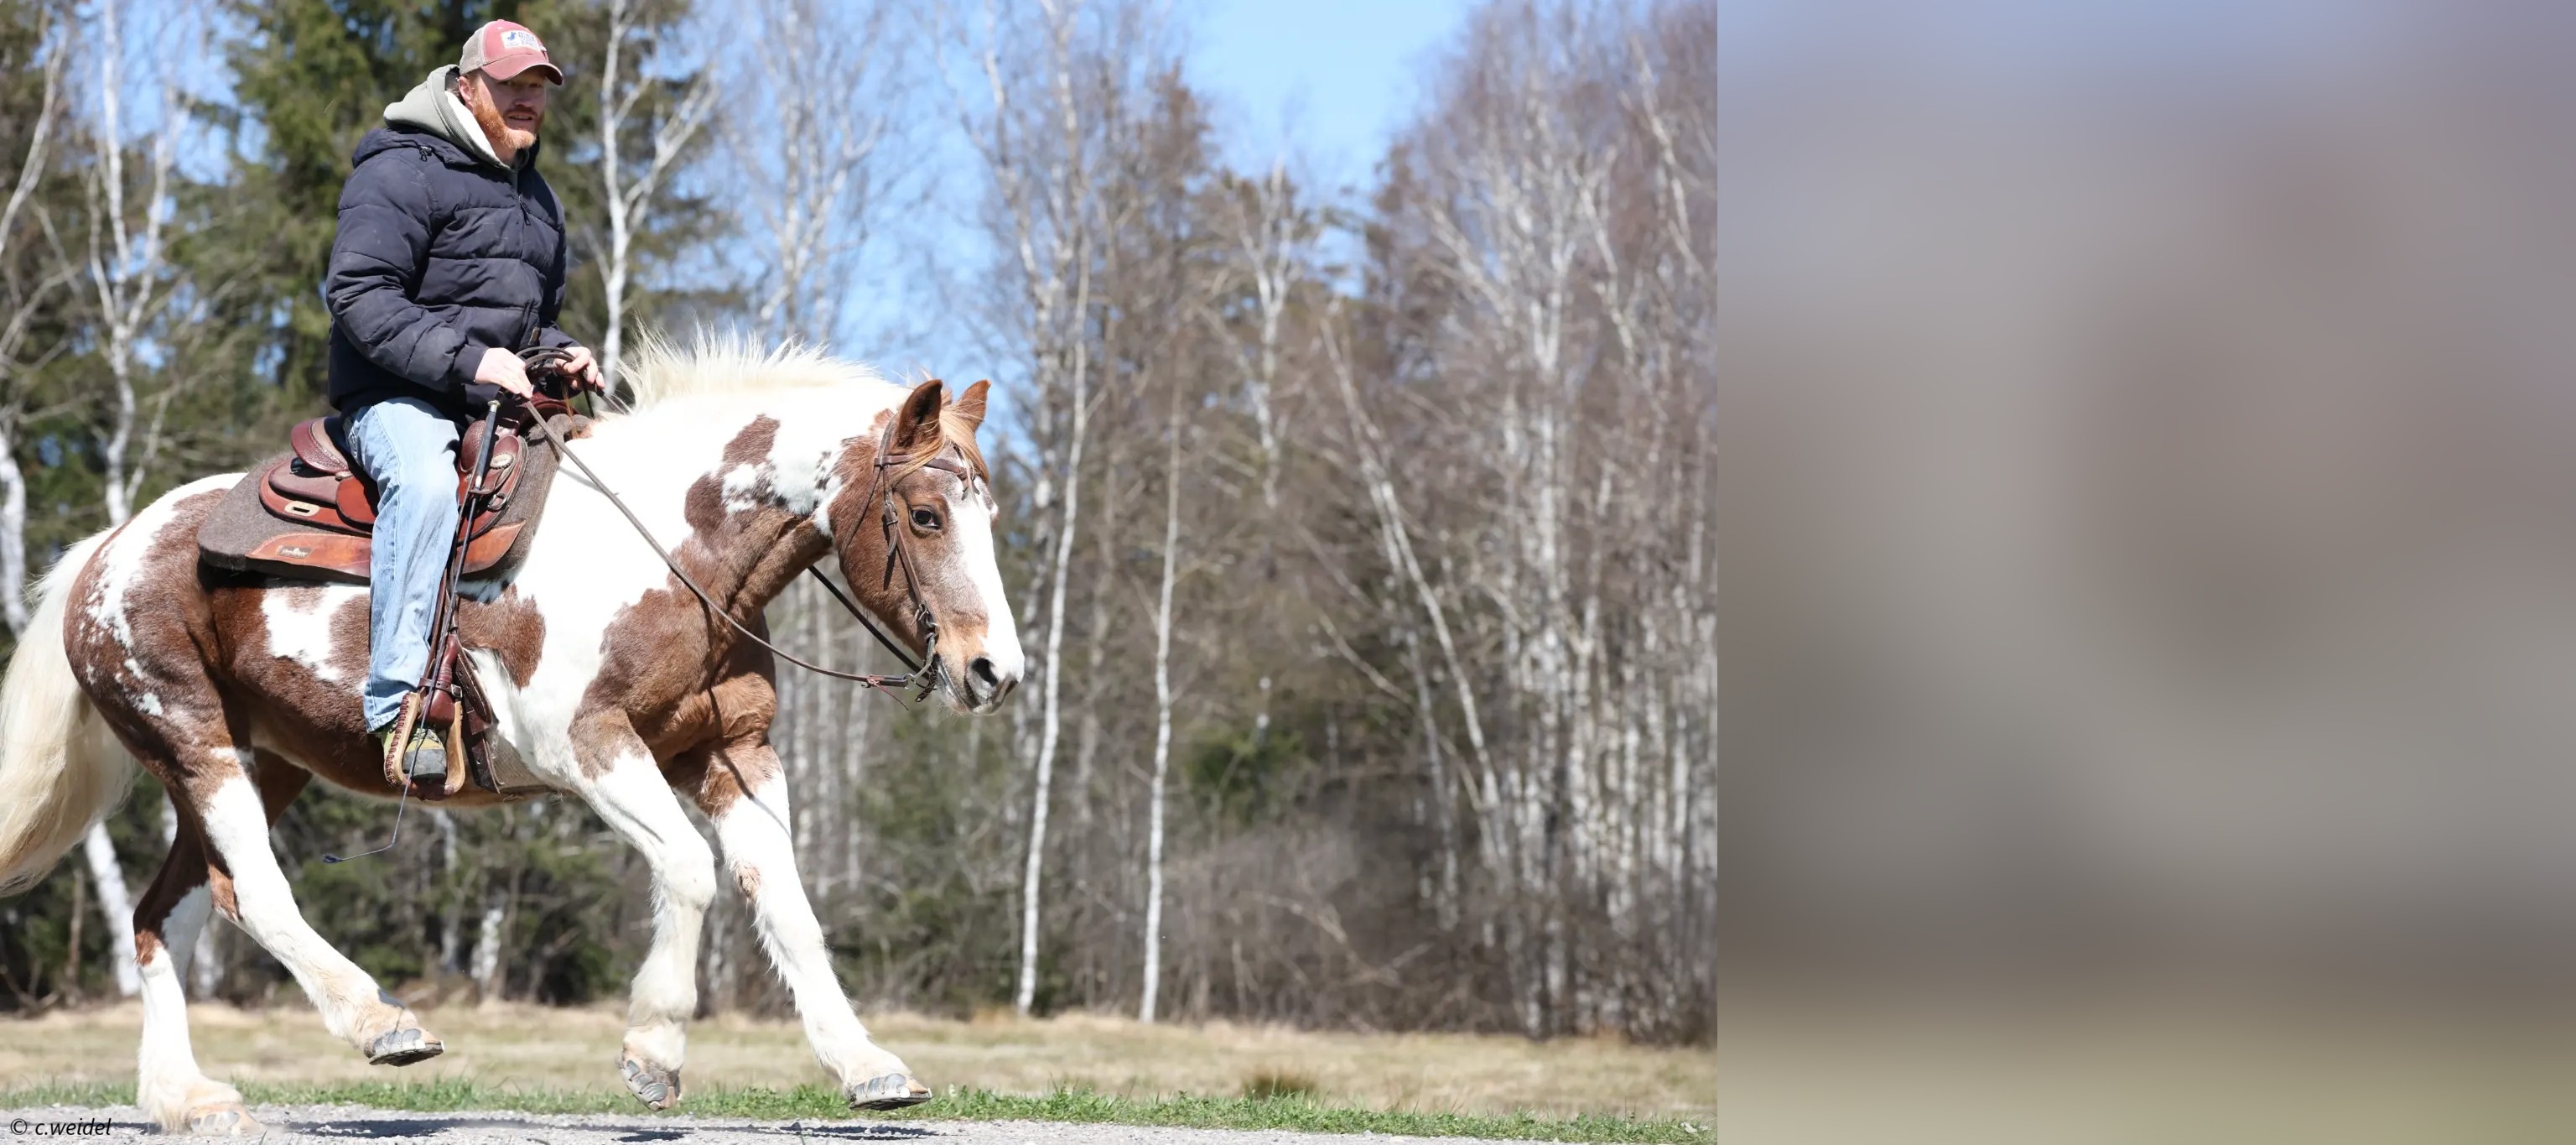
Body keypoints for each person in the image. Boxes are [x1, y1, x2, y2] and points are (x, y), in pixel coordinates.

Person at [325, 19, 603, 784]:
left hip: (488, 397)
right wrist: (474, 361)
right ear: (466, 85)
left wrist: (559, 348)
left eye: (538, 88)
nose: (528, 102)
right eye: (512, 85)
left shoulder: (536, 197)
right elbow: (359, 295)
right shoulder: (400, 170)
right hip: (396, 393)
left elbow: (523, 316)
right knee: (422, 488)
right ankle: (398, 706)